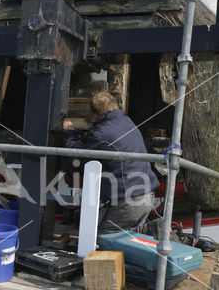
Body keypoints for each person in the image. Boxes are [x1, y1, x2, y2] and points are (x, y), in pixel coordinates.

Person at [64, 91, 159, 234]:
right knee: (124, 240)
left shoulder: (101, 133)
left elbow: (75, 156)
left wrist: (69, 132)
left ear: (96, 115)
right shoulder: (127, 122)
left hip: (130, 200)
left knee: (103, 240)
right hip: (146, 195)